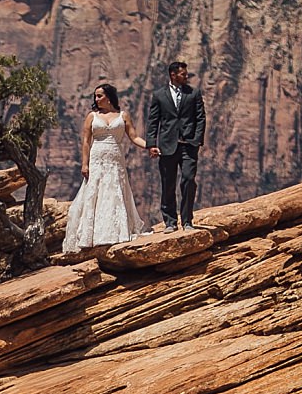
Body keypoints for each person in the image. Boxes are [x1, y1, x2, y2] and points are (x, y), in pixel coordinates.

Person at [61, 82, 147, 254]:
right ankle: (90, 235)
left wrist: (150, 146)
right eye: (95, 96)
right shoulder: (92, 116)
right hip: (97, 157)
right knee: (95, 192)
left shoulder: (123, 116)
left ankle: (115, 232)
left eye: (99, 95)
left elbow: (134, 137)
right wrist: (84, 164)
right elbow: (85, 141)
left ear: (109, 97)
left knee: (115, 192)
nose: (96, 99)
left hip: (115, 159)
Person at [145, 59, 206, 230]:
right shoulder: (159, 95)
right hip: (167, 145)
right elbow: (153, 121)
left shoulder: (193, 93)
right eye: (183, 74)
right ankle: (170, 222)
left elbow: (201, 118)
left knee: (188, 180)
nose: (186, 76)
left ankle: (187, 221)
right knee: (168, 183)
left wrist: (197, 140)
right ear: (173, 75)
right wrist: (151, 144)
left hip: (188, 145)